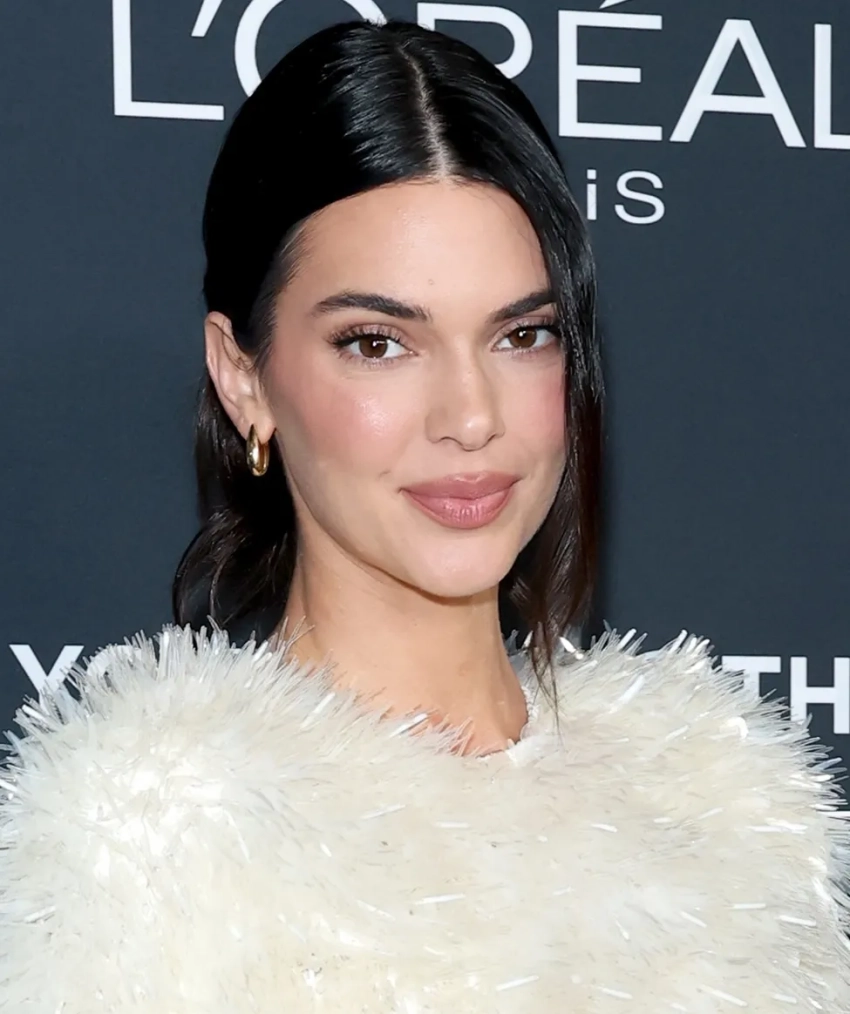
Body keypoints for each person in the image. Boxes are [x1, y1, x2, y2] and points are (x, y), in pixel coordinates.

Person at [0, 18, 847, 1014]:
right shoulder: (138, 853)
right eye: (377, 343)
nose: (471, 417)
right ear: (243, 378)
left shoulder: (729, 812)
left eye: (521, 335)